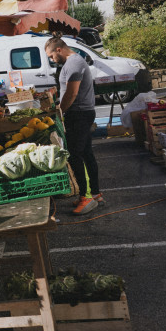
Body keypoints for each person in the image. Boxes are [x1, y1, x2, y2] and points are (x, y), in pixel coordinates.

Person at [45, 34, 103, 215]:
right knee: (86, 153)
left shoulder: (73, 64)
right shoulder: (72, 63)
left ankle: (86, 197)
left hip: (79, 114)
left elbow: (72, 93)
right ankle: (95, 194)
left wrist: (60, 111)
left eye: (51, 56)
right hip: (81, 113)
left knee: (75, 155)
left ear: (59, 49)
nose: (52, 60)